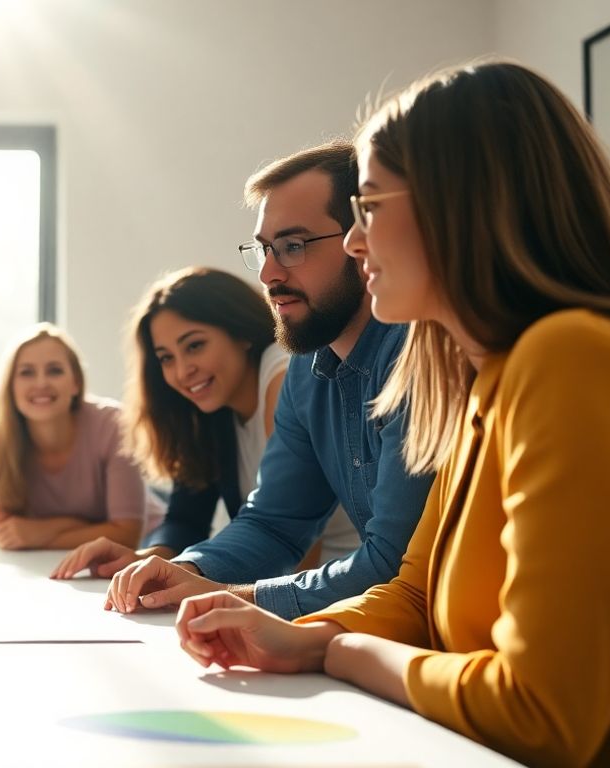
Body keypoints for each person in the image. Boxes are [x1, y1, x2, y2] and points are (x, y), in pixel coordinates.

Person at [173, 61, 610, 767]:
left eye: (372, 209)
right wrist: (300, 635)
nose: (358, 243)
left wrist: (341, 650)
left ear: (464, 207)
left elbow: (543, 714)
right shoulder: (484, 380)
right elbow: (416, 591)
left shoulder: (569, 358)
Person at [104, 140, 435, 619]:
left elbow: (396, 565)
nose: (269, 273)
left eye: (293, 246)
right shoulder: (307, 369)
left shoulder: (416, 355)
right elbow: (275, 523)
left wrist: (241, 599)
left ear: (364, 240)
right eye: (263, 250)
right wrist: (191, 569)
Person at [52, 267, 358, 580]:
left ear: (241, 333)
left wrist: (264, 616)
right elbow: (186, 520)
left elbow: (295, 535)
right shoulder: (214, 407)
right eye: (166, 358)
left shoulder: (281, 374)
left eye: (194, 346)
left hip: (345, 587)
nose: (182, 371)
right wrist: (142, 561)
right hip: (296, 588)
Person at [0, 324, 145, 550]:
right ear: (10, 387)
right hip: (48, 566)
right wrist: (81, 525)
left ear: (76, 383)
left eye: (54, 370)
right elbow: (4, 536)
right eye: (26, 372)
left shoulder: (115, 425)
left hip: (143, 556)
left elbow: (127, 535)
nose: (41, 383)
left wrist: (36, 534)